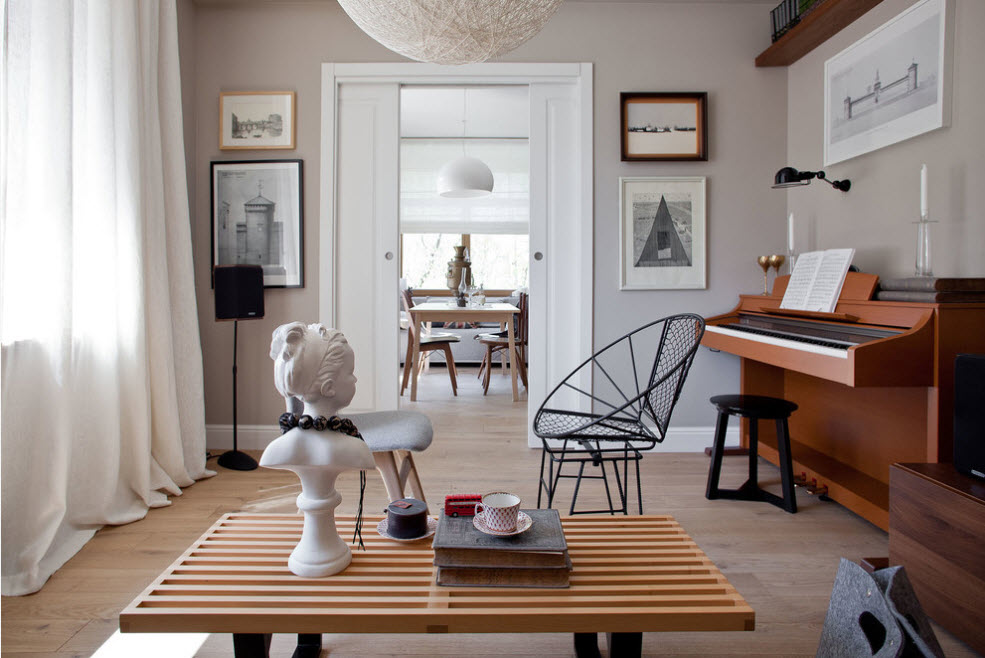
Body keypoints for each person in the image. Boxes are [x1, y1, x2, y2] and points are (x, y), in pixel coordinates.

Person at [260, 322, 374, 577]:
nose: (355, 378)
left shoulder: (277, 448)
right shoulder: (356, 449)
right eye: (350, 372)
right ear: (329, 387)